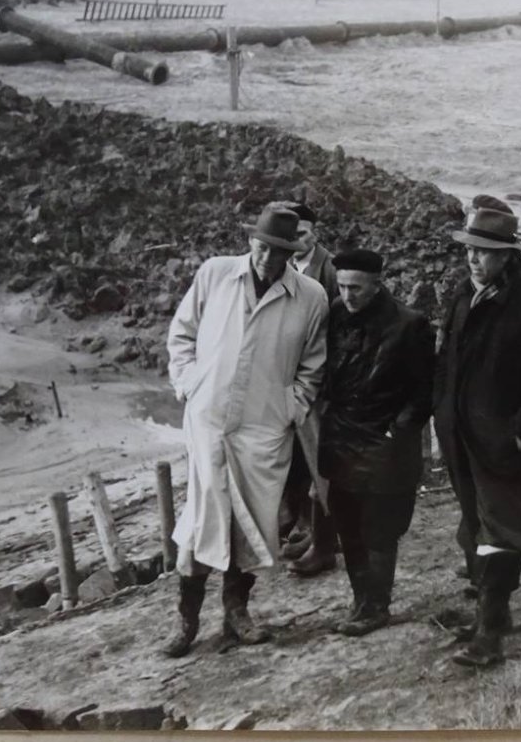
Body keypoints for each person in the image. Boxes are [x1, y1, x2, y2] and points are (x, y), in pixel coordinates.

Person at [161, 203, 329, 657]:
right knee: (201, 521)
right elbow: (181, 333)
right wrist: (189, 384)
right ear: (250, 242)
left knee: (255, 524)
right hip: (210, 421)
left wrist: (289, 407)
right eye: (260, 248)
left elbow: (313, 365)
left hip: (264, 429)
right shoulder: (216, 273)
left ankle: (238, 613)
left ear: (290, 253)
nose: (265, 260)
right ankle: (186, 620)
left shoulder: (310, 297)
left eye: (277, 253)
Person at [433, 204, 521, 668]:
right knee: (476, 524)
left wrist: (520, 435)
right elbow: (447, 367)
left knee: (501, 528)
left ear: (508, 255)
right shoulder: (461, 298)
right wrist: (442, 423)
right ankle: (491, 613)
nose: (475, 259)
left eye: (486, 252)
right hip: (462, 438)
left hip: (508, 444)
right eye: (471, 250)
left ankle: (489, 633)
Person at [318, 248, 435, 636]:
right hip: (342, 437)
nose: (348, 296)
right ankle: (361, 600)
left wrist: (397, 432)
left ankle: (377, 605)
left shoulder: (409, 325)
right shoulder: (334, 313)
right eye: (343, 287)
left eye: (357, 288)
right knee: (347, 522)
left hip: (386, 444)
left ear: (377, 284)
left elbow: (425, 392)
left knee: (381, 527)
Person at [277, 202, 340, 576]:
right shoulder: (283, 269)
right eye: (291, 236)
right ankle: (305, 526)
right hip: (288, 381)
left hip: (319, 383)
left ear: (315, 232)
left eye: (302, 234)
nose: (297, 241)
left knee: (321, 465)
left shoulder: (329, 270)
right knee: (294, 461)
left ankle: (326, 541)